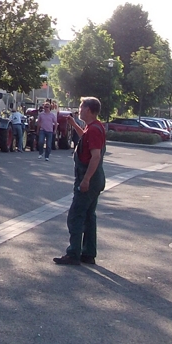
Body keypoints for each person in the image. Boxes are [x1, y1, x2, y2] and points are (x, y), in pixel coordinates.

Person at [54, 96, 107, 266]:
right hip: (95, 179)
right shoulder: (94, 127)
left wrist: (86, 180)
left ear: (89, 110)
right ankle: (88, 253)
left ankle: (73, 253)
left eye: (81, 107)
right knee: (89, 216)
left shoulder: (94, 130)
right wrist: (74, 124)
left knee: (76, 215)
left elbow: (95, 156)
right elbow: (85, 137)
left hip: (89, 179)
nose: (79, 110)